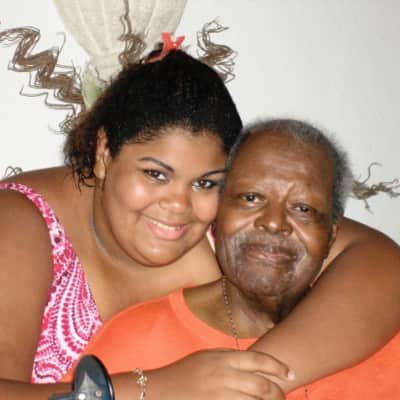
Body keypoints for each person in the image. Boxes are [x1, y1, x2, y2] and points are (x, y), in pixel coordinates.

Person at [0, 49, 399, 400]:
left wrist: (248, 380)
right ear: (104, 153)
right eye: (155, 174)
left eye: (206, 182)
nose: (179, 205)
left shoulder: (224, 221)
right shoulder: (19, 222)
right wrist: (154, 389)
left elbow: (381, 265)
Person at [73, 119, 400, 399]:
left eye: (303, 209)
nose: (274, 222)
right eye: (251, 198)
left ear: (331, 235)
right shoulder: (137, 340)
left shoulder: (385, 338)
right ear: (217, 217)